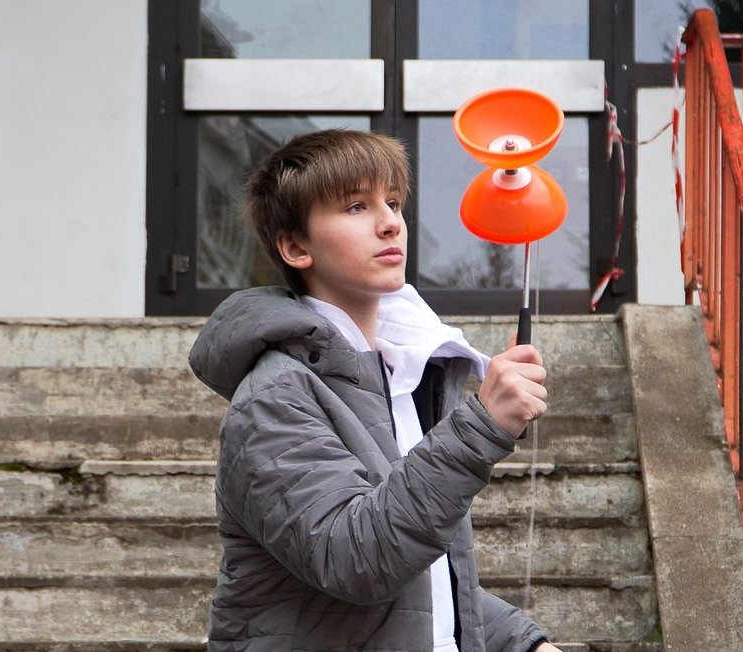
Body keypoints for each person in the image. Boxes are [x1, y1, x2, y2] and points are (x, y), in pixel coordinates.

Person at [189, 129, 561, 652]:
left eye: (393, 202)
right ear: (296, 247)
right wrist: (480, 425)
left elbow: (422, 585)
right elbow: (356, 559)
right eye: (356, 206)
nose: (390, 223)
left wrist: (522, 643)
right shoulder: (273, 399)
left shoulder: (408, 378)